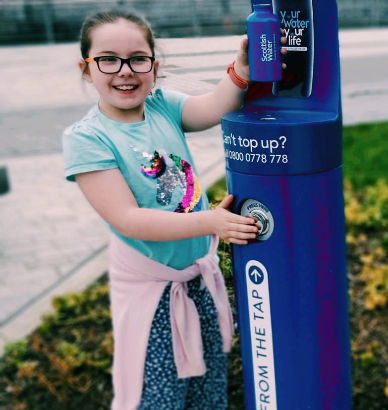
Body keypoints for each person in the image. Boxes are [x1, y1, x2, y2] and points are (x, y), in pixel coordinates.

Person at [62, 9, 283, 410]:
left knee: (207, 384)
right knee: (160, 394)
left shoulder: (162, 106)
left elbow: (214, 107)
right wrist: (211, 220)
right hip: (153, 291)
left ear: (154, 66)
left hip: (196, 277)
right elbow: (129, 220)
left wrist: (241, 72)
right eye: (108, 59)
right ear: (86, 69)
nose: (125, 71)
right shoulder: (88, 138)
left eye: (138, 59)